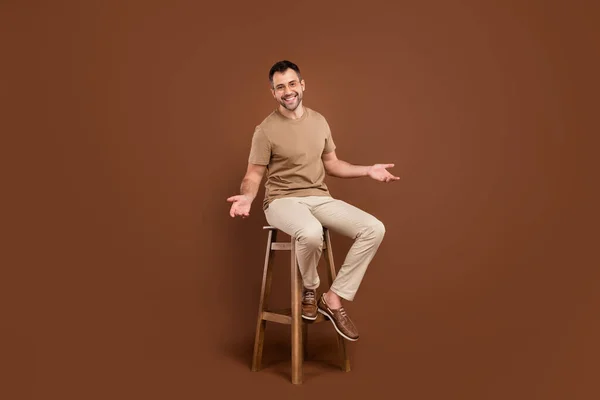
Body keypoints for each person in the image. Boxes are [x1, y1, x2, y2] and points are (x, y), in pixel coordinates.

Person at [227, 60, 399, 341]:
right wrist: (247, 196)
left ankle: (332, 299)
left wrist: (368, 170)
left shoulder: (319, 122)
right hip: (281, 201)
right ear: (273, 93)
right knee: (309, 232)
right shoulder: (266, 130)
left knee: (374, 228)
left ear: (302, 85)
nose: (288, 91)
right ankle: (310, 287)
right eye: (280, 87)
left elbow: (332, 165)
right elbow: (254, 174)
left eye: (292, 84)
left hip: (318, 197)